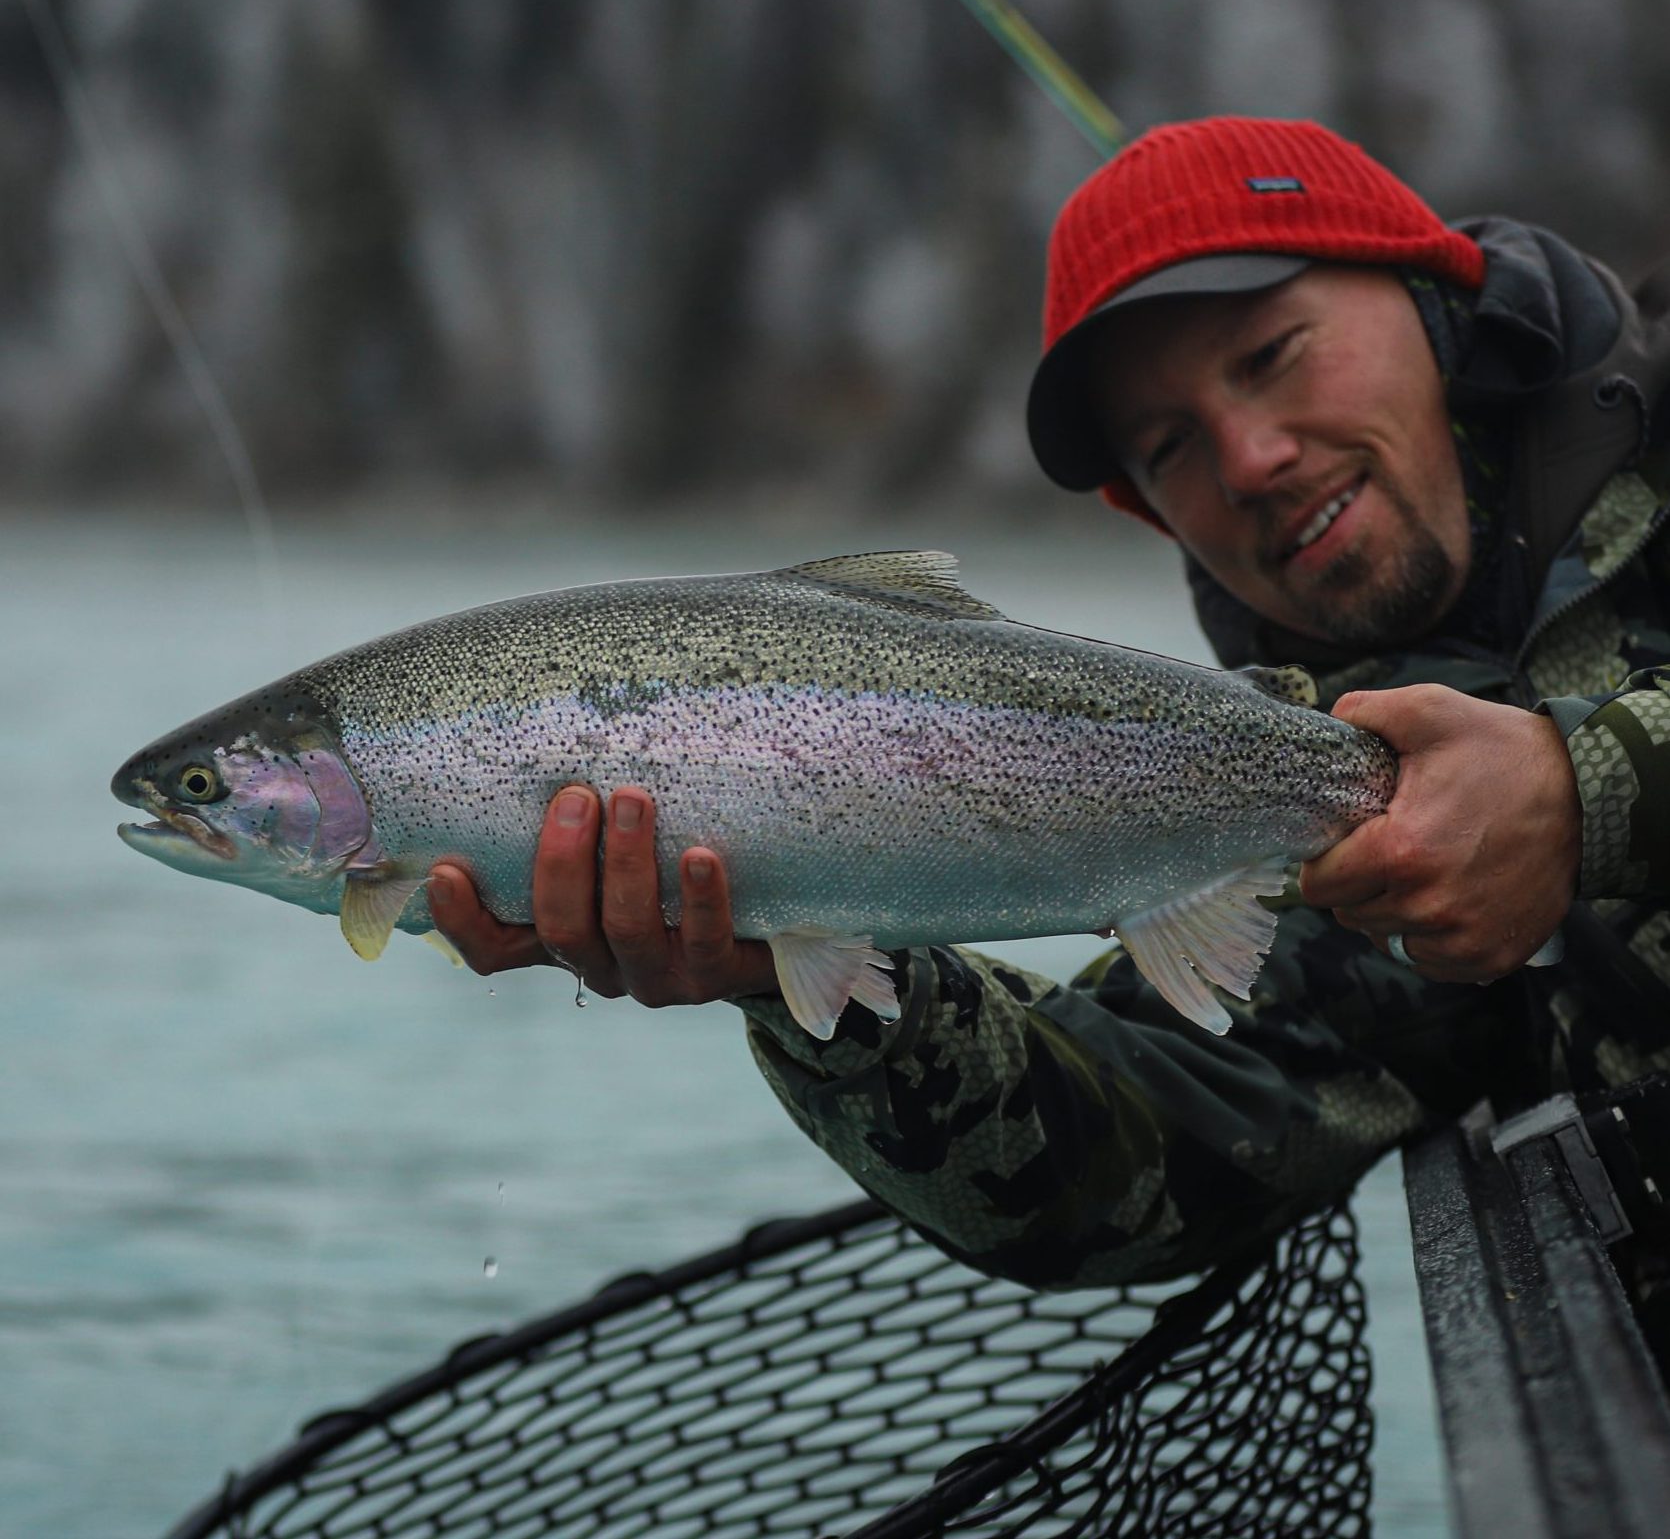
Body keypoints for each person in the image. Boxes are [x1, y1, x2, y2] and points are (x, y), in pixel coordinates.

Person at [427, 116, 1670, 1308]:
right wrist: (815, 977)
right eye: (1169, 446)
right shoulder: (1324, 797)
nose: (1245, 460)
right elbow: (1130, 1158)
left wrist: (1587, 788)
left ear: (1439, 304)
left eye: (1271, 355)